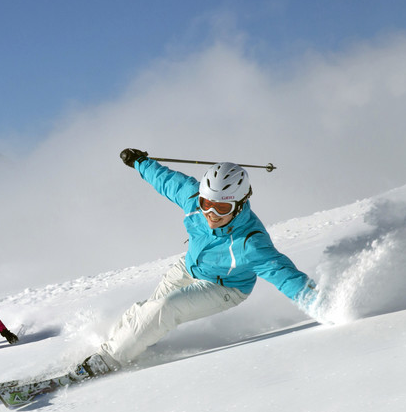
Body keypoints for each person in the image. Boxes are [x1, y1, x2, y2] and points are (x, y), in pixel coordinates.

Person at [74, 149, 319, 379]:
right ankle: (121, 345)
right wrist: (140, 162)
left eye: (222, 207)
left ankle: (107, 360)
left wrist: (324, 304)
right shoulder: (194, 200)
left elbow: (286, 276)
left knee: (166, 308)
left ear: (240, 204)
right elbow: (166, 180)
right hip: (188, 267)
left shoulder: (251, 243)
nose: (211, 212)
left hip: (224, 287)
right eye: (206, 203)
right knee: (149, 309)